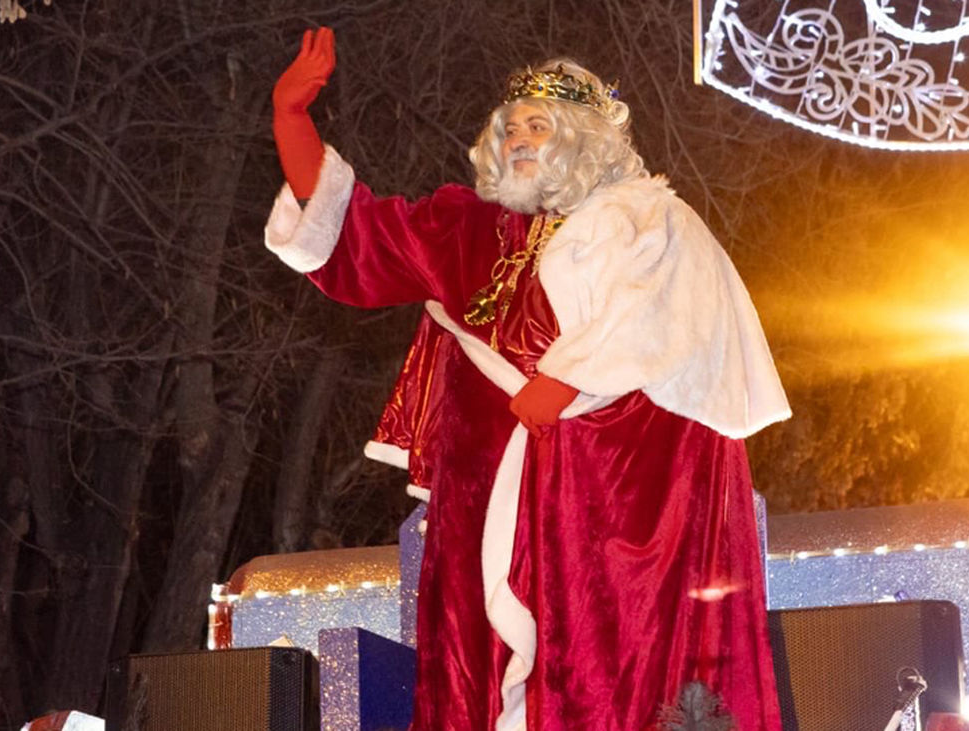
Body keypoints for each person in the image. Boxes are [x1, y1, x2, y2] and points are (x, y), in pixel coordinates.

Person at [265, 26, 791, 731]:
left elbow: (669, 323)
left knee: (597, 687)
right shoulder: (466, 226)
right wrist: (290, 120)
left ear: (582, 137)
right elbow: (359, 240)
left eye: (537, 125)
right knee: (477, 688)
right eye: (509, 126)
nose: (517, 138)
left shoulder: (643, 217)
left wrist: (568, 381)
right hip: (477, 511)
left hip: (598, 520)